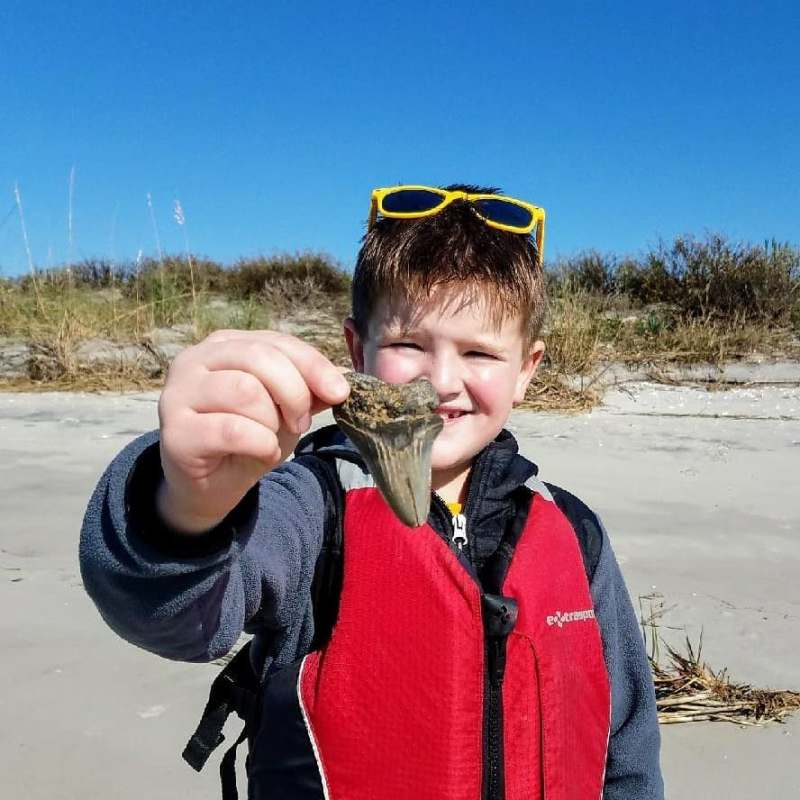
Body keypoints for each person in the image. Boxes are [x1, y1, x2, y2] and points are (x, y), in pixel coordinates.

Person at [79, 184, 664, 800]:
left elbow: (626, 737)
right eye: (408, 344)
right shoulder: (307, 508)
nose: (441, 381)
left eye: (479, 352)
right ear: (357, 351)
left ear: (526, 370)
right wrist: (187, 506)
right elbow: (176, 619)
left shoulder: (573, 532)